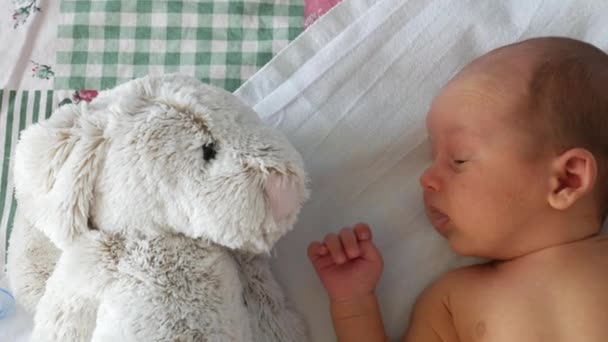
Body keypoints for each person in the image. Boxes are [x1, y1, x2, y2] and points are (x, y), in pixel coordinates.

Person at [307, 37, 608, 341]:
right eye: (432, 159)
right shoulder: (452, 300)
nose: (426, 178)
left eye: (459, 159)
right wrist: (354, 303)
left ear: (567, 179)